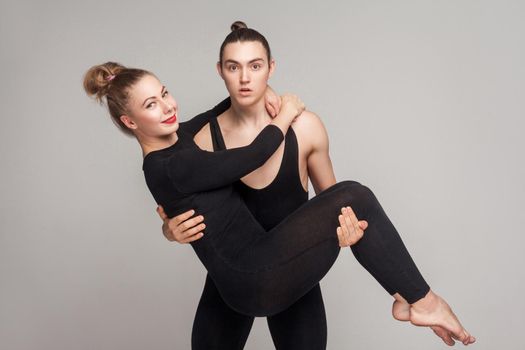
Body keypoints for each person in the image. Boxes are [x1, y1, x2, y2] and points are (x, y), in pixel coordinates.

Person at [83, 60, 475, 347]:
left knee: (351, 202)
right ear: (130, 122)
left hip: (254, 263)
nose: (168, 106)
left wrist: (263, 91)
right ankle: (422, 300)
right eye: (151, 105)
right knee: (355, 195)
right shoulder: (171, 165)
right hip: (251, 276)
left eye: (164, 93)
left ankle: (411, 300)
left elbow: (219, 109)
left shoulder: (179, 139)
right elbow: (253, 154)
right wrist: (285, 111)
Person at [157, 21, 366, 350]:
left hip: (293, 278)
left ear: (270, 68)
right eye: (233, 67)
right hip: (232, 279)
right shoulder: (200, 140)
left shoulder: (306, 127)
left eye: (254, 66)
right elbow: (174, 198)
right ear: (220, 71)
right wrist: (170, 230)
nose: (244, 78)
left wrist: (348, 231)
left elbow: (336, 203)